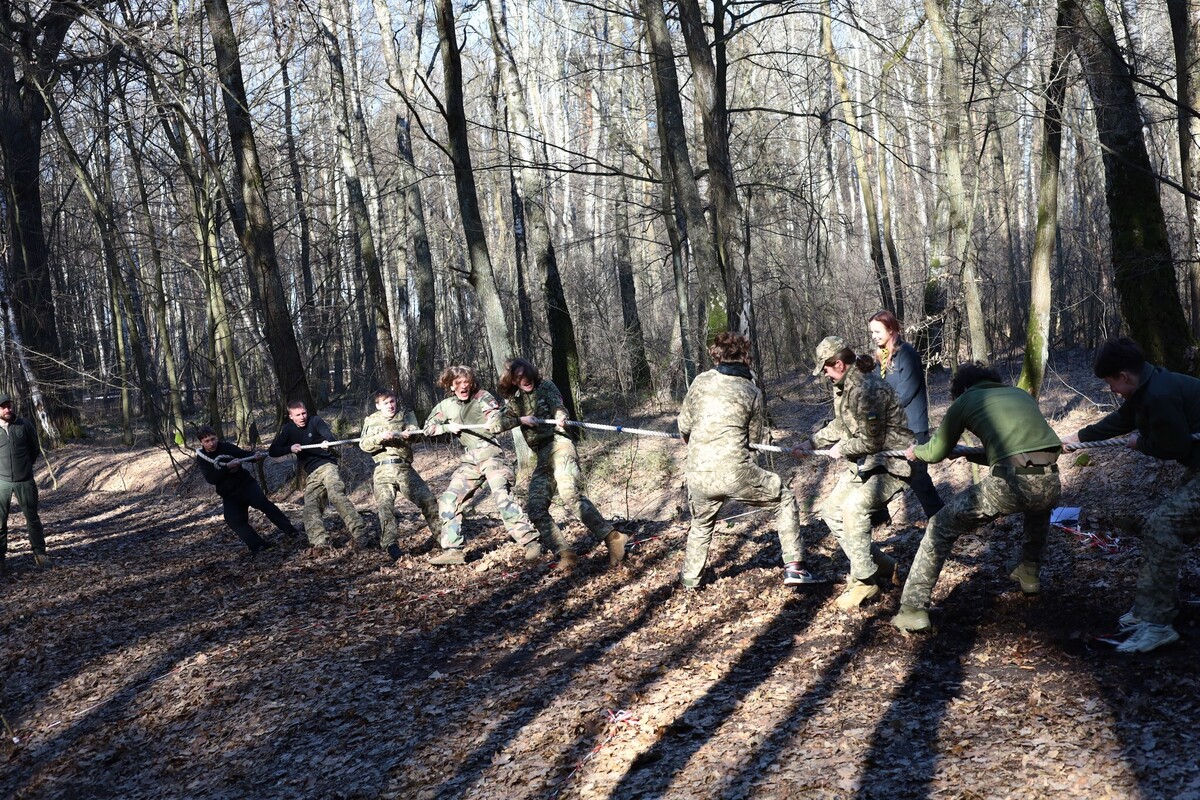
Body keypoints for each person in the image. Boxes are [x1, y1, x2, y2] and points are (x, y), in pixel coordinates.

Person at [892, 363, 1062, 633]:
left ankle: (913, 609)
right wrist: (968, 453)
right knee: (1037, 504)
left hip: (1007, 484)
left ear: (962, 390)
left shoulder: (966, 400)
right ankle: (1029, 573)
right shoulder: (1019, 394)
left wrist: (917, 452)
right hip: (1052, 480)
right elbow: (1020, 453)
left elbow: (935, 452)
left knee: (939, 527)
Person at [1062, 337, 1200, 653]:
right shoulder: (1148, 387)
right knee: (1169, 527)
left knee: (1163, 526)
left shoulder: (1160, 394)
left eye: (1112, 383)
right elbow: (1123, 420)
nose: (1112, 390)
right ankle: (1149, 610)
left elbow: (1175, 446)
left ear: (1124, 376)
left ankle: (1158, 624)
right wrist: (1078, 438)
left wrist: (1143, 445)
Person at [677, 332, 816, 589]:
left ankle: (690, 580)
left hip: (697, 474)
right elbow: (756, 440)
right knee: (784, 497)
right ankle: (796, 568)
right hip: (735, 472)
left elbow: (683, 427)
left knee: (701, 524)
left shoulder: (700, 382)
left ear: (716, 356)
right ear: (744, 357)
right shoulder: (751, 390)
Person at [794, 336, 915, 610]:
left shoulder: (866, 388)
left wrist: (843, 448)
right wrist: (811, 443)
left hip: (891, 465)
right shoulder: (846, 387)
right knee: (831, 510)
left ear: (838, 364)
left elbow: (871, 442)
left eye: (825, 368)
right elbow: (841, 425)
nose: (824, 374)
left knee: (853, 509)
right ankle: (881, 564)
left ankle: (864, 581)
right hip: (866, 464)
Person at [497, 358, 628, 568]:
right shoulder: (515, 402)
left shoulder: (545, 387)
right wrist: (520, 420)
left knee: (568, 493)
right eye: (518, 377)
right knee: (536, 508)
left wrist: (560, 416)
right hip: (542, 456)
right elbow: (495, 424)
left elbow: (558, 406)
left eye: (526, 374)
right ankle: (566, 554)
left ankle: (613, 538)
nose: (525, 379)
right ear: (513, 381)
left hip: (560, 444)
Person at [423, 365, 542, 565]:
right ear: (451, 386)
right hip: (470, 460)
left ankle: (530, 540)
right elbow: (427, 428)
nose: (463, 387)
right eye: (458, 383)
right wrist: (446, 427)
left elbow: (496, 418)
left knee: (500, 493)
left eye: (466, 383)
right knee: (448, 499)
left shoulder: (482, 397)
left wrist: (496, 420)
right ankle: (453, 549)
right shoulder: (446, 406)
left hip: (491, 455)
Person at [868, 310, 945, 518]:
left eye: (878, 331)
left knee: (919, 479)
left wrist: (881, 411)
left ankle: (940, 519)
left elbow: (906, 392)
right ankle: (878, 516)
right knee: (873, 466)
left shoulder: (907, 353)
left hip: (913, 428)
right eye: (872, 332)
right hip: (891, 429)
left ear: (891, 329)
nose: (874, 336)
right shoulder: (880, 359)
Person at [268, 401, 366, 549]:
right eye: (298, 415)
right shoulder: (288, 430)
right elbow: (272, 450)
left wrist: (328, 442)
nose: (302, 417)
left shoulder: (315, 421)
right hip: (312, 473)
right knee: (310, 507)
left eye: (304, 413)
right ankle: (320, 543)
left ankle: (361, 534)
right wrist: (290, 448)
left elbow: (330, 437)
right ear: (291, 417)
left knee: (336, 495)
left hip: (327, 466)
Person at [359, 389, 440, 562]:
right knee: (385, 507)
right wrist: (379, 438)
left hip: (403, 468)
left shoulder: (406, 415)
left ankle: (442, 537)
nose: (390, 406)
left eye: (392, 402)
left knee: (428, 500)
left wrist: (409, 433)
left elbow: (415, 432)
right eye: (386, 403)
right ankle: (391, 545)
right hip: (382, 470)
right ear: (378, 405)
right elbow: (364, 444)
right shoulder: (371, 420)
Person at [196, 425, 299, 554]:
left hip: (246, 485)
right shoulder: (202, 458)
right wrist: (227, 467)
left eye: (213, 439)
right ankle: (258, 545)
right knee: (233, 520)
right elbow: (211, 478)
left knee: (263, 503)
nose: (211, 443)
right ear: (201, 442)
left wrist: (254, 456)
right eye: (207, 441)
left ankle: (290, 530)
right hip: (229, 494)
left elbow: (244, 455)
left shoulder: (226, 447)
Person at [0, 393, 50, 572]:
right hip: (2, 483)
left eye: (9, 406)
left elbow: (34, 448)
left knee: (32, 518)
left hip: (25, 480)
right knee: (0, 521)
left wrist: (26, 466)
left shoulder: (24, 424)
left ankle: (40, 554)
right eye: (3, 406)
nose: (7, 409)